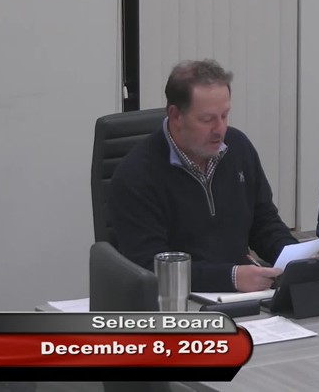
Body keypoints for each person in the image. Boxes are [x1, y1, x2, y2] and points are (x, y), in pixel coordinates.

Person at [109, 59, 297, 292]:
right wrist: (230, 278)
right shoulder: (137, 175)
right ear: (176, 116)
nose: (220, 129)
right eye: (207, 120)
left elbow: (264, 224)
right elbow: (151, 266)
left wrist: (294, 258)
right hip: (177, 302)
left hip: (244, 297)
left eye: (225, 116)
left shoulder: (238, 148)